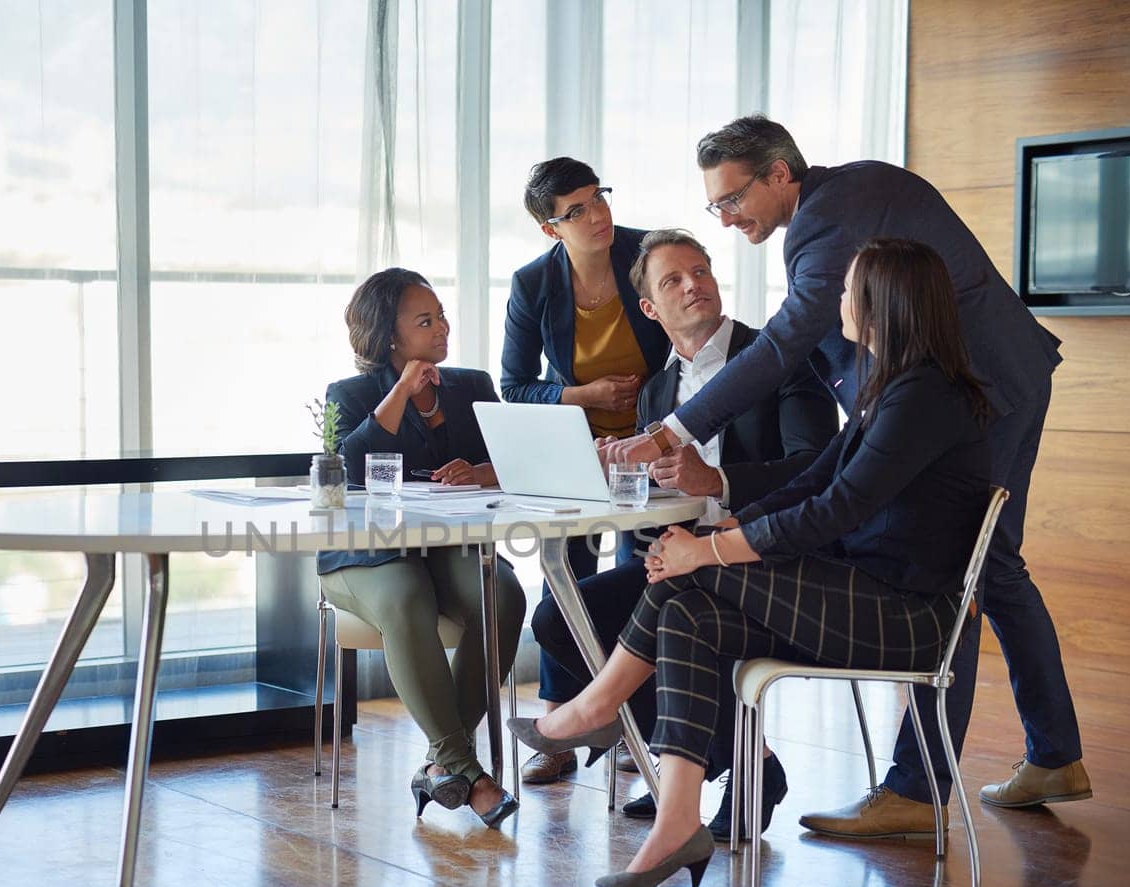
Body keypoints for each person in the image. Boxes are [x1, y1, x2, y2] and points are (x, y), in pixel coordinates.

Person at [603, 115, 1090, 835]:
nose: (726, 217)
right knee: (996, 572)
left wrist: (673, 429)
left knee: (971, 576)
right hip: (964, 386)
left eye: (732, 199)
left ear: (779, 174)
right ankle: (1051, 754)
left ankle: (919, 792)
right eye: (715, 206)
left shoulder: (830, 217)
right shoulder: (835, 205)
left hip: (987, 386)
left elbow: (784, 345)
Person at [513, 238, 994, 887]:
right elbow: (818, 482)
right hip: (868, 595)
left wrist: (707, 547)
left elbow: (834, 510)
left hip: (905, 615)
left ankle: (593, 707)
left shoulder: (923, 397)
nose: (838, 302)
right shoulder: (895, 388)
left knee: (686, 574)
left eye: (849, 291)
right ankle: (677, 819)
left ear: (884, 305)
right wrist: (730, 526)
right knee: (686, 608)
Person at [527, 228, 837, 835]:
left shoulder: (777, 358)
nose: (694, 285)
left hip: (768, 555)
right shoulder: (657, 391)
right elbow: (664, 494)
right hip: (689, 559)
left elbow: (819, 467)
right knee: (560, 618)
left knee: (672, 615)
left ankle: (695, 769)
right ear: (649, 307)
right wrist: (619, 472)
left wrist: (718, 481)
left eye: (701, 271)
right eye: (673, 280)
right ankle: (734, 762)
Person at [320, 268, 523, 828]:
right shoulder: (352, 394)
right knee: (405, 596)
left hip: (448, 548)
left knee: (502, 596)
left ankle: (440, 766)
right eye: (426, 320)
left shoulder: (473, 385)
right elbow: (348, 468)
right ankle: (464, 768)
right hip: (364, 556)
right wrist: (401, 391)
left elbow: (514, 462)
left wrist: (480, 473)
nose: (442, 327)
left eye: (442, 316)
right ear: (391, 337)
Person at [499, 157, 668, 786]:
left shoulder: (646, 254)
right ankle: (558, 727)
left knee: (636, 577)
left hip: (653, 445)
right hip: (574, 450)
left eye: (599, 199)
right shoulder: (533, 284)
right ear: (551, 229)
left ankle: (630, 725)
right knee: (564, 578)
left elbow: (689, 338)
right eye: (576, 211)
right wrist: (585, 396)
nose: (597, 216)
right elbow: (513, 386)